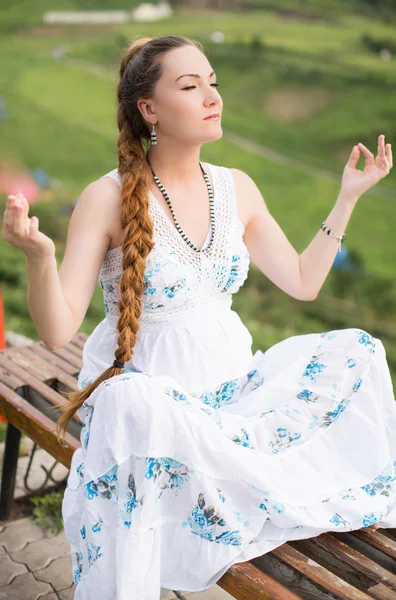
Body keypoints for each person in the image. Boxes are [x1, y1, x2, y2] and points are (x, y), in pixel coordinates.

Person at [2, 35, 394, 600]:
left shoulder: (237, 188)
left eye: (213, 82)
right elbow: (57, 329)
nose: (211, 96)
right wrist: (40, 258)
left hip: (237, 397)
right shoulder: (106, 197)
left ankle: (250, 468)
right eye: (190, 86)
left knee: (360, 349)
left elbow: (304, 282)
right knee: (132, 400)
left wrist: (348, 197)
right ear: (150, 109)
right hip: (159, 415)